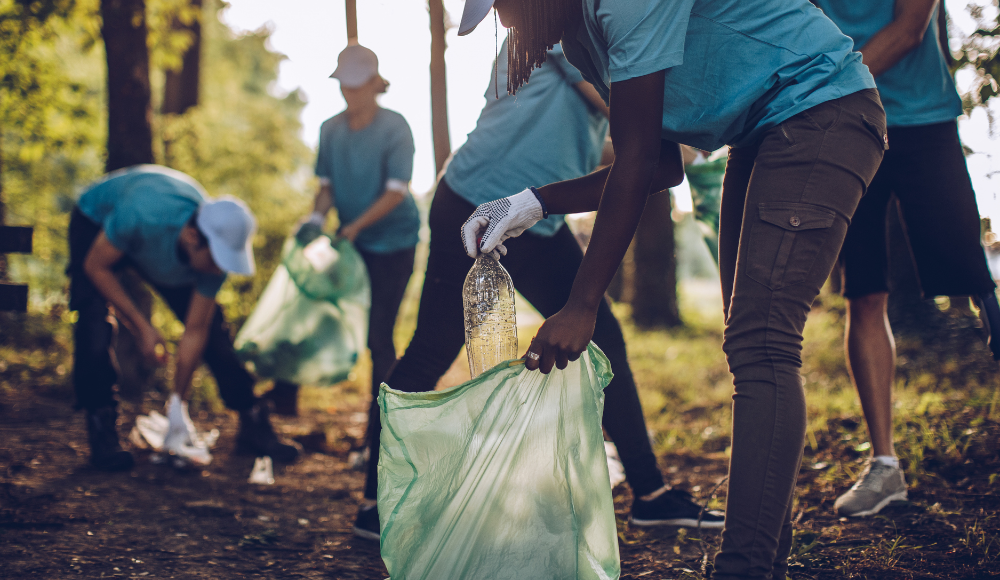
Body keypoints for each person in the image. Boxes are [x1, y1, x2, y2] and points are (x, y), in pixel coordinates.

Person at [448, 0, 887, 579]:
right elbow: (654, 165)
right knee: (753, 342)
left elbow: (633, 166)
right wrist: (531, 201)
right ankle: (758, 560)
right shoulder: (583, 26)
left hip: (821, 111)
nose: (504, 14)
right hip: (762, 131)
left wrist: (583, 301)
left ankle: (745, 567)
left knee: (763, 339)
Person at [351, 39, 726, 541]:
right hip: (478, 202)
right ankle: (375, 504)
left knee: (602, 334)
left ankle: (651, 495)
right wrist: (694, 125)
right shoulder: (559, 33)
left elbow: (603, 145)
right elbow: (624, 109)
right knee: (430, 352)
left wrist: (672, 149)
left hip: (534, 216)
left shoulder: (586, 47)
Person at [785, 0, 1000, 519]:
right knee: (865, 293)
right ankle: (885, 469)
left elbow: (910, 27)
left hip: (924, 120)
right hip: (850, 134)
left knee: (974, 277)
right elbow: (795, 34)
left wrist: (839, 83)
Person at [70, 164, 299, 471]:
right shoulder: (141, 215)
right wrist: (142, 328)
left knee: (215, 335)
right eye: (217, 259)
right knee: (93, 325)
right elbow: (97, 267)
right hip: (96, 222)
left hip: (160, 245)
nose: (220, 269)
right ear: (193, 237)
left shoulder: (211, 254)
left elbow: (195, 331)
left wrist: (179, 402)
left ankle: (253, 422)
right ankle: (102, 432)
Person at [298, 43, 420, 440]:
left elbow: (395, 191)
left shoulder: (395, 127)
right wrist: (317, 217)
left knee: (379, 335)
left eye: (356, 87)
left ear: (373, 84)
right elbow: (326, 186)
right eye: (344, 87)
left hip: (395, 242)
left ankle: (382, 430)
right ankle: (286, 396)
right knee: (326, 315)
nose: (349, 95)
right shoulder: (330, 130)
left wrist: (354, 226)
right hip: (355, 245)